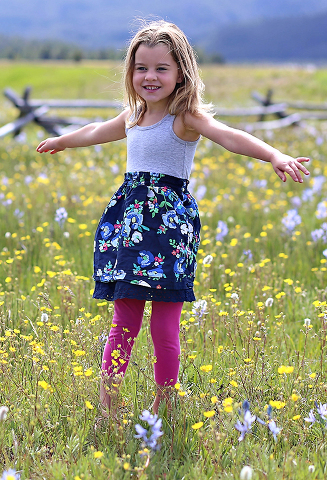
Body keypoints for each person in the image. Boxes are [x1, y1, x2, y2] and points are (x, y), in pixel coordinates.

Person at [36, 21, 310, 419]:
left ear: (181, 72)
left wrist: (273, 155)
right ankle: (109, 406)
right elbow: (97, 130)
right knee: (123, 321)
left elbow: (229, 135)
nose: (150, 77)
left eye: (161, 68)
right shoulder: (133, 116)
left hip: (167, 231)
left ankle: (164, 403)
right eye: (141, 68)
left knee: (164, 326)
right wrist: (63, 140)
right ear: (131, 72)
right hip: (128, 229)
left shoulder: (186, 118)